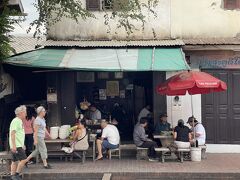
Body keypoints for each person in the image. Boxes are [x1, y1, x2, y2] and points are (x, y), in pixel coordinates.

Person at [9, 105, 28, 180]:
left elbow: (19, 134)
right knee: (24, 160)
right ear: (21, 113)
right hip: (16, 145)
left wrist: (22, 144)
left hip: (18, 145)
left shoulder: (19, 121)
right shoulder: (16, 121)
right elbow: (12, 133)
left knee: (14, 161)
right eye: (25, 112)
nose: (26, 114)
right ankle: (16, 175)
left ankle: (12, 176)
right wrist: (14, 146)